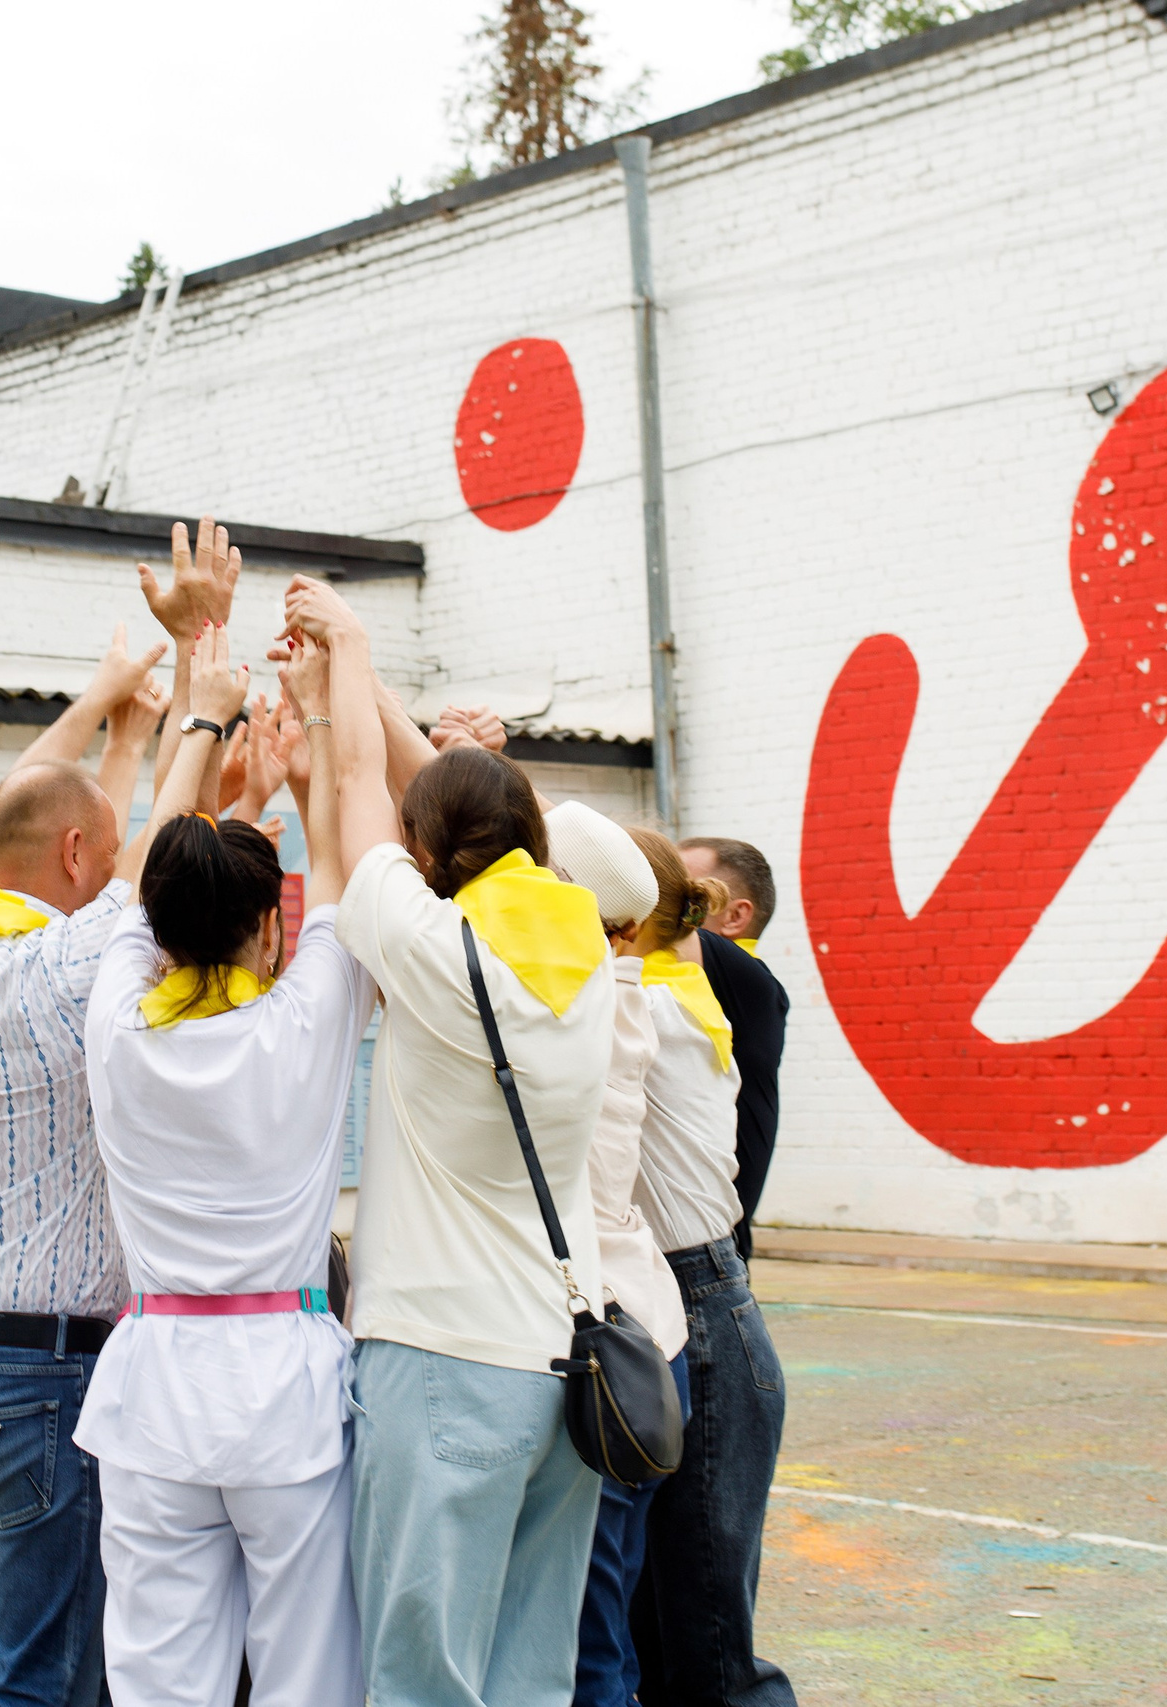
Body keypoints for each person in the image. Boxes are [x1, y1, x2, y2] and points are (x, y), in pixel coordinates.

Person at [0, 523, 225, 1707]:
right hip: (33, 1385)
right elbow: (162, 842)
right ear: (82, 854)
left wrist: (99, 709)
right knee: (47, 1682)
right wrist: (194, 677)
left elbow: (26, 820)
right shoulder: (72, 971)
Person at [282, 575, 614, 1707]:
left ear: (433, 859)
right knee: (527, 1678)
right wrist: (393, 705)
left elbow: (365, 797)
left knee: (422, 1678)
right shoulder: (584, 952)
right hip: (554, 1366)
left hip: (439, 1363)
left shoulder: (436, 957)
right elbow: (452, 819)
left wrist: (352, 652)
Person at [76, 623, 380, 1707]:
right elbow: (345, 873)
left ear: (154, 922)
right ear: (269, 928)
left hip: (154, 1385)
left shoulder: (116, 1022)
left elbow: (140, 863)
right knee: (308, 1672)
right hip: (281, 1391)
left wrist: (201, 720)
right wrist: (309, 745)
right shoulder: (304, 1021)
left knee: (159, 1677)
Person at [623, 828, 796, 1707]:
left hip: (707, 1302)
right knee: (655, 1629)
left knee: (710, 1642)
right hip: (659, 1307)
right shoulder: (637, 990)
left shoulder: (735, 983)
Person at [539, 803, 690, 1707]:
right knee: (609, 1634)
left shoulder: (576, 1007)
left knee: (590, 1647)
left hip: (607, 1346)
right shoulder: (624, 993)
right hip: (647, 1335)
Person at [676, 838, 790, 1261]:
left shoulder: (750, 982)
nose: (662, 900)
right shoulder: (670, 979)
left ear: (736, 916)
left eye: (686, 894)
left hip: (711, 1259)